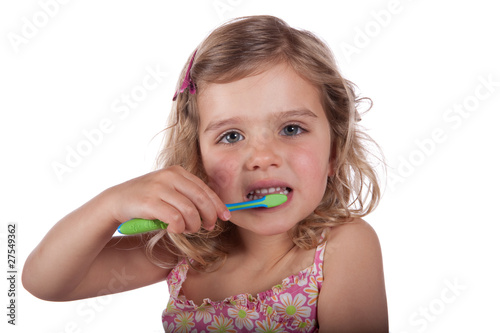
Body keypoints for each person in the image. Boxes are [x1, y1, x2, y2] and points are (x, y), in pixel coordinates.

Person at [23, 15, 388, 332]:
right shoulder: (184, 248)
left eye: (291, 129)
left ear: (333, 153)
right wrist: (110, 206)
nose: (261, 158)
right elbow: (45, 282)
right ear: (197, 157)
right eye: (231, 136)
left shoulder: (343, 245)